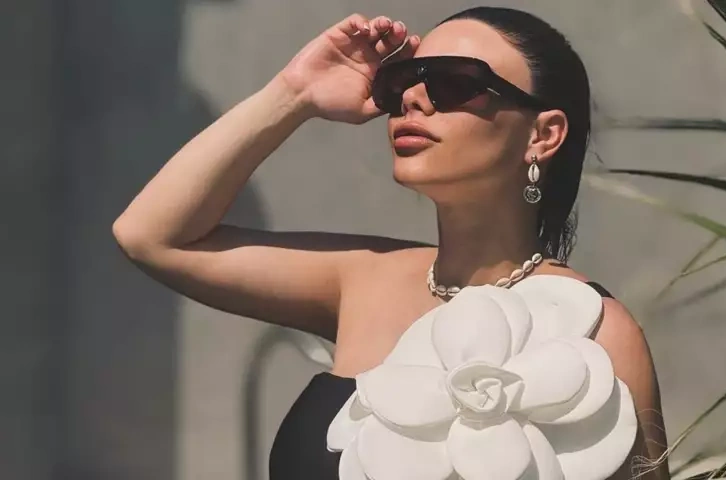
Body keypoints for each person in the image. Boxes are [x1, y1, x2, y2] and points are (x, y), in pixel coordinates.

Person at [113, 6, 668, 479]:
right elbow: (151, 235)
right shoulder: (363, 277)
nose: (414, 100)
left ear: (543, 134)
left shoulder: (595, 328)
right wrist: (294, 92)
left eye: (455, 83)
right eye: (402, 81)